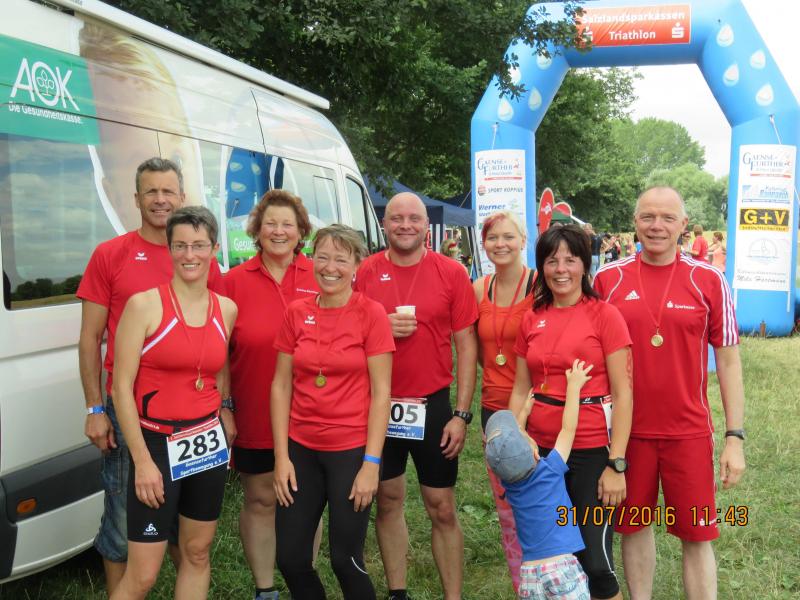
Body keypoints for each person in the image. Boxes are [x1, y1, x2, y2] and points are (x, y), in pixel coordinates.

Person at [77, 157, 224, 593]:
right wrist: (94, 408)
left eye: (168, 191)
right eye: (151, 191)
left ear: (182, 197)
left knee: (187, 537)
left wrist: (226, 405)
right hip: (135, 414)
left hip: (196, 420)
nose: (160, 199)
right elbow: (90, 338)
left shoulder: (202, 259)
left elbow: (217, 338)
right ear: (136, 198)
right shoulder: (111, 254)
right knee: (124, 523)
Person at [594, 186, 745, 600]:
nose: (656, 226)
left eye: (667, 218)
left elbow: (729, 362)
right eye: (647, 217)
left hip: (688, 432)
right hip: (627, 433)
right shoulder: (608, 279)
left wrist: (735, 437)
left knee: (697, 535)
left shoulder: (708, 279)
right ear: (635, 222)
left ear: (683, 224)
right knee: (634, 527)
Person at [354, 192, 478, 600]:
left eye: (413, 218)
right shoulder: (366, 271)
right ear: (384, 224)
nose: (405, 225)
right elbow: (347, 332)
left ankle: (452, 596)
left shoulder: (451, 272)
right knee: (388, 499)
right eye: (396, 218)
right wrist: (379, 327)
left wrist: (461, 414)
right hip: (380, 405)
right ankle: (398, 592)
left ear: (427, 225)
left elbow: (466, 344)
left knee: (441, 505)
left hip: (432, 403)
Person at [110, 206, 237, 599]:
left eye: (199, 245)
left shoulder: (226, 309)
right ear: (169, 250)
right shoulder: (144, 305)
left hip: (205, 442)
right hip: (155, 444)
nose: (189, 254)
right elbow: (120, 388)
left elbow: (218, 367)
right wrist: (142, 461)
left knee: (196, 553)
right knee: (144, 574)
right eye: (180, 245)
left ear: (214, 249)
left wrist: (226, 407)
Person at [508, 224, 632, 600]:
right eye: (552, 260)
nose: (561, 269)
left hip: (592, 451)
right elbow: (520, 389)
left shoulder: (604, 315)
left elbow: (623, 393)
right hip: (542, 454)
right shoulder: (532, 318)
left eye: (570, 259)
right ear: (541, 266)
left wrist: (617, 464)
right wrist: (516, 436)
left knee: (596, 561)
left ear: (585, 265)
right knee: (561, 558)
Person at [272, 224, 394, 599]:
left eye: (340, 259)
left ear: (357, 264)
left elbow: (382, 393)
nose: (329, 267)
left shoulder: (371, 313)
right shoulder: (296, 312)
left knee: (346, 560)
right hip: (300, 450)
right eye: (322, 257)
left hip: (351, 453)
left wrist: (371, 464)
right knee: (291, 559)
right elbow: (280, 385)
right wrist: (281, 457)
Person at [223, 190, 320, 600]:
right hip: (256, 409)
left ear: (301, 231)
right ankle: (265, 590)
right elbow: (218, 350)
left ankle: (303, 582)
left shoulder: (321, 274)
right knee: (261, 499)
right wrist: (225, 405)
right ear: (257, 231)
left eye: (287, 224)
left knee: (307, 502)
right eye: (270, 224)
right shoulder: (232, 282)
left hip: (315, 413)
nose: (279, 232)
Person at [486, 359, 596, 600]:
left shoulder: (510, 485)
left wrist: (523, 414)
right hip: (561, 570)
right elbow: (568, 429)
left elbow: (512, 450)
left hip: (529, 576)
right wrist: (574, 387)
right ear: (535, 452)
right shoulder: (550, 470)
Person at [472, 210, 535, 591]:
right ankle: (524, 587)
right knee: (508, 507)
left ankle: (558, 580)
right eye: (493, 238)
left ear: (523, 241)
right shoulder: (479, 289)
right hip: (494, 409)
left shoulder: (540, 285)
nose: (501, 244)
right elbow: (476, 351)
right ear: (484, 244)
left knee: (541, 502)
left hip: (536, 408)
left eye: (509, 237)